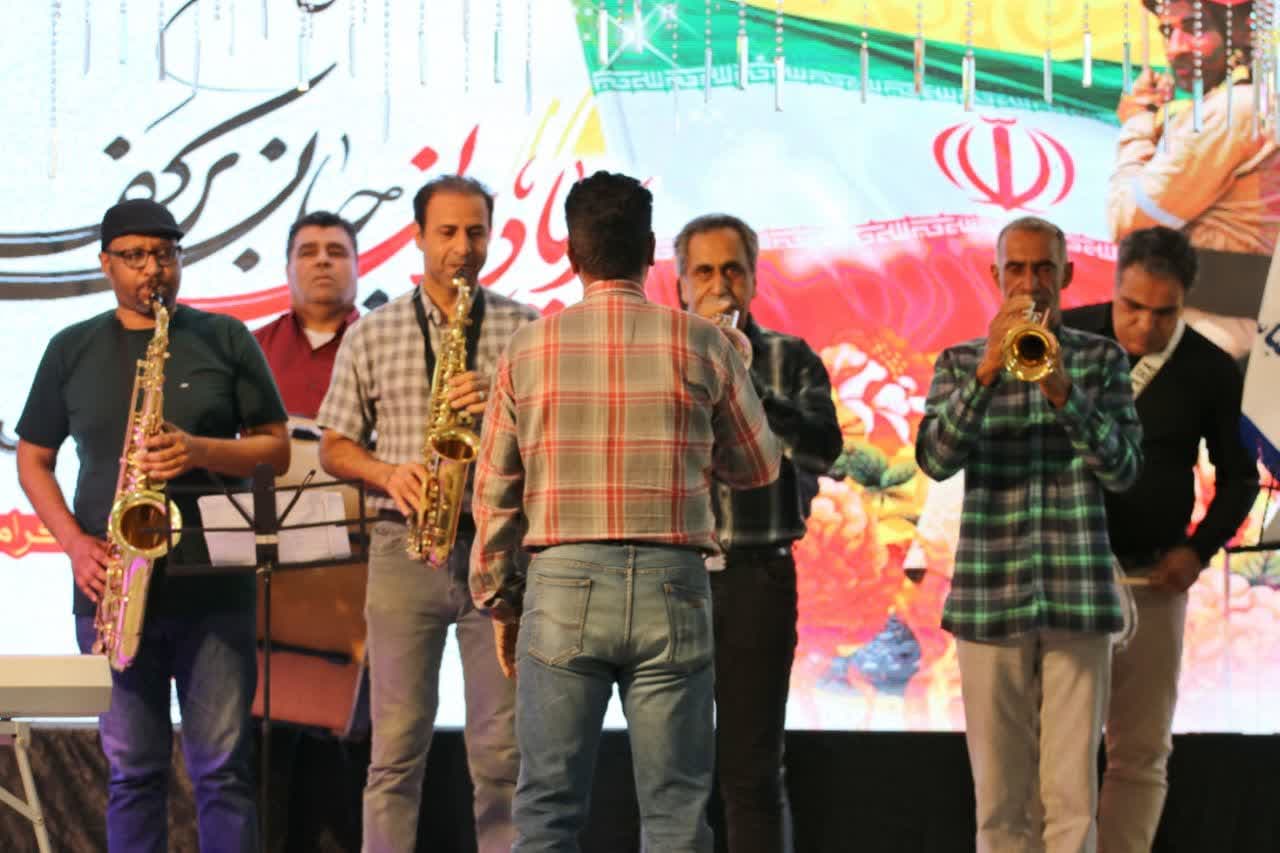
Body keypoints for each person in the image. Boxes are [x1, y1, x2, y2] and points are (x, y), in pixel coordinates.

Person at [469, 171, 782, 851]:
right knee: (675, 815)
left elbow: (494, 493)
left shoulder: (526, 348)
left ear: (570, 253)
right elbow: (759, 467)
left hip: (561, 582)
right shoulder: (703, 343)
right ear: (649, 251)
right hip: (674, 582)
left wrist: (498, 597)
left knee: (546, 812)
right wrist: (735, 371)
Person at [15, 197, 290, 852]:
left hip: (214, 588)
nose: (152, 269)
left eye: (164, 254)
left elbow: (276, 449)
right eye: (134, 256)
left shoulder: (226, 338)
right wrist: (74, 545)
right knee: (132, 771)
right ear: (105, 263)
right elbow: (33, 459)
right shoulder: (70, 348)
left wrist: (199, 450)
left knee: (222, 770)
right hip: (109, 587)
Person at [316, 174, 535, 853]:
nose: (462, 247)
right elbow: (333, 445)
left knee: (502, 752)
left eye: (475, 232)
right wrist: (388, 472)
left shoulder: (527, 329)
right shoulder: (373, 332)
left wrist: (507, 406)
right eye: (446, 232)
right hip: (401, 546)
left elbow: (560, 439)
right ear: (417, 237)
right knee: (395, 748)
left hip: (498, 550)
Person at [915, 216, 1143, 853]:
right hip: (989, 596)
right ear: (995, 276)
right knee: (999, 804)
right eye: (1016, 268)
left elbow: (1124, 470)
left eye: (1044, 268)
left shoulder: (1101, 359)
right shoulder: (960, 361)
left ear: (1067, 274)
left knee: (1073, 801)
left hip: (1078, 597)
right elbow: (935, 459)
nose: (1030, 282)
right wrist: (988, 372)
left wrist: (1063, 389)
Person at [1062, 226, 1259, 853]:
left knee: (1142, 750)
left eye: (1164, 312)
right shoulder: (1063, 341)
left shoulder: (1208, 367)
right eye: (1132, 306)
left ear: (1186, 302)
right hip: (1063, 579)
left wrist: (1197, 550)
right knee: (1059, 749)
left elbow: (1239, 477)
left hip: (1151, 581)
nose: (1145, 325)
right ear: (1113, 285)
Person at [673, 213, 842, 853]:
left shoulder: (790, 359)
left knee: (752, 770)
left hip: (756, 577)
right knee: (671, 775)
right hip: (671, 579)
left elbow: (823, 450)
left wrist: (746, 386)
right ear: (680, 283)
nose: (720, 285)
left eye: (733, 270)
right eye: (704, 272)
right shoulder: (659, 356)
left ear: (753, 277)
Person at [1108, 0, 1279, 357]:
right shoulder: (1249, 101)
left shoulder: (1234, 109)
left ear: (1244, 29)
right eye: (1167, 30)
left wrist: (1137, 124)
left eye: (1195, 27)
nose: (1175, 48)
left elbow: (1129, 223)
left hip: (1214, 338)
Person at [253, 210, 361, 420]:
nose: (323, 260)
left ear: (357, 267)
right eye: (308, 252)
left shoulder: (389, 351)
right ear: (288, 270)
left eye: (336, 252)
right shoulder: (253, 349)